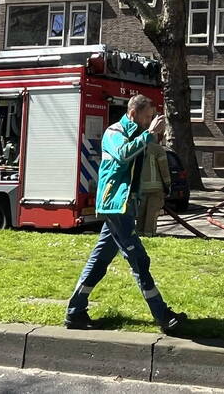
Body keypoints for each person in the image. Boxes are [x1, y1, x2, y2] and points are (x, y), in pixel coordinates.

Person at [65, 95, 186, 333]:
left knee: (99, 261)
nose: (150, 121)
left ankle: (75, 312)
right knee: (138, 258)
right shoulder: (114, 132)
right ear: (133, 113)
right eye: (147, 117)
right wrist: (149, 134)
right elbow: (123, 154)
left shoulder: (137, 134)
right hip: (115, 205)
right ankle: (162, 315)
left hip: (124, 205)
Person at [137, 141, 171, 236]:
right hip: (156, 188)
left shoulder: (137, 147)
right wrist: (167, 185)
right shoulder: (157, 149)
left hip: (141, 188)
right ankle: (149, 234)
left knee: (141, 214)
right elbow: (164, 170)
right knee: (151, 215)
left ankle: (139, 234)